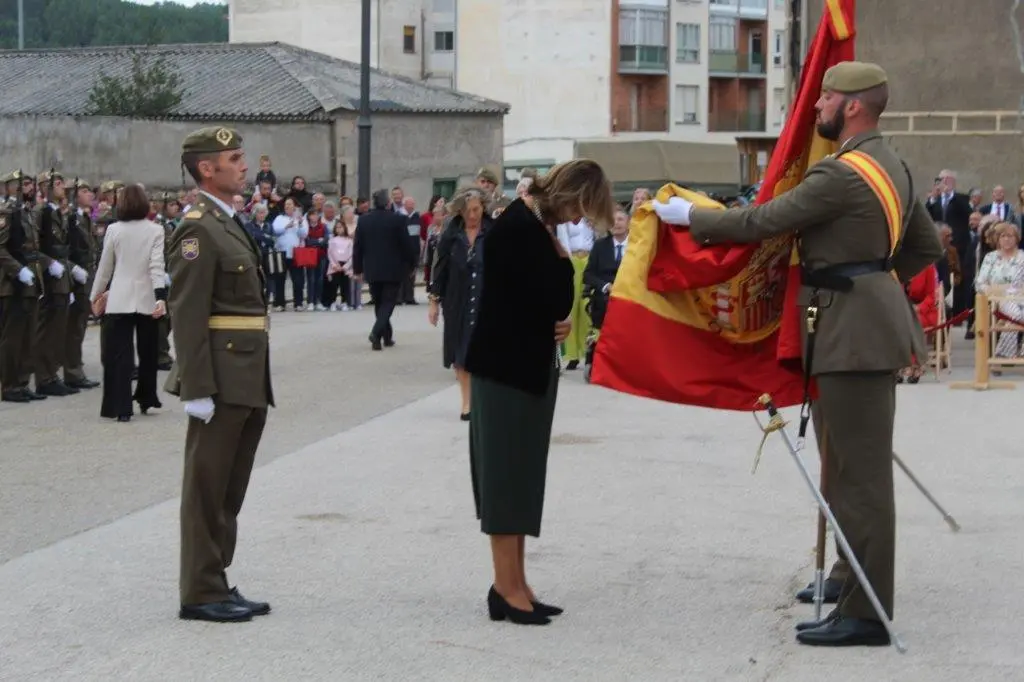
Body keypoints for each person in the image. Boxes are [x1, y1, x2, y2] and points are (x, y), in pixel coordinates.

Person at [652, 61, 944, 647]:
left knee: (859, 478)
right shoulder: (897, 165)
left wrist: (691, 218)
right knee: (843, 467)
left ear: (854, 106)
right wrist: (875, 283)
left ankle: (866, 613)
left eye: (826, 98)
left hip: (850, 335)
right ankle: (848, 575)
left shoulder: (841, 174)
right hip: (854, 329)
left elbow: (764, 221)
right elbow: (924, 247)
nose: (816, 109)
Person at [463, 159, 615, 626]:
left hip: (523, 369)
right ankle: (506, 589)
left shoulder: (530, 225)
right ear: (567, 193)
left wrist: (556, 317)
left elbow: (538, 304)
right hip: (507, 372)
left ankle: (517, 584)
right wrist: (563, 265)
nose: (579, 221)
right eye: (581, 210)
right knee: (506, 480)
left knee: (522, 479)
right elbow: (545, 299)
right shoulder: (520, 228)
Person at [164, 126, 275, 623]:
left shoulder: (226, 221)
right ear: (207, 169)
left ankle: (216, 578)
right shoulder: (197, 228)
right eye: (234, 157)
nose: (244, 165)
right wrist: (196, 387)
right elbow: (187, 313)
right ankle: (200, 590)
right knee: (207, 487)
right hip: (221, 377)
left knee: (230, 487)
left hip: (246, 373)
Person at [89, 184, 167, 422]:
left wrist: (95, 295)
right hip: (146, 296)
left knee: (120, 355)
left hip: (120, 296)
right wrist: (161, 296)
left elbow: (105, 267)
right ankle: (146, 397)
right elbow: (156, 266)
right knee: (148, 352)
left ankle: (121, 407)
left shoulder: (113, 229)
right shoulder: (156, 230)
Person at [427, 186, 495, 420]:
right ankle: (467, 402)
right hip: (457, 301)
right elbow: (440, 268)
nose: (472, 215)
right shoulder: (451, 233)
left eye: (476, 210)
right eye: (467, 211)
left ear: (483, 208)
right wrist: (434, 302)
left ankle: (480, 399)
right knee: (461, 353)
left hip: (487, 302)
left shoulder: (494, 232)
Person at [352, 189, 417, 351]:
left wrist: (357, 268)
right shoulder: (398, 220)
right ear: (388, 203)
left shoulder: (364, 221)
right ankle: (376, 333)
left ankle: (385, 338)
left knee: (379, 303)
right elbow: (407, 245)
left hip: (372, 269)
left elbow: (357, 247)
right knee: (388, 303)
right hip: (393, 269)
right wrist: (412, 264)